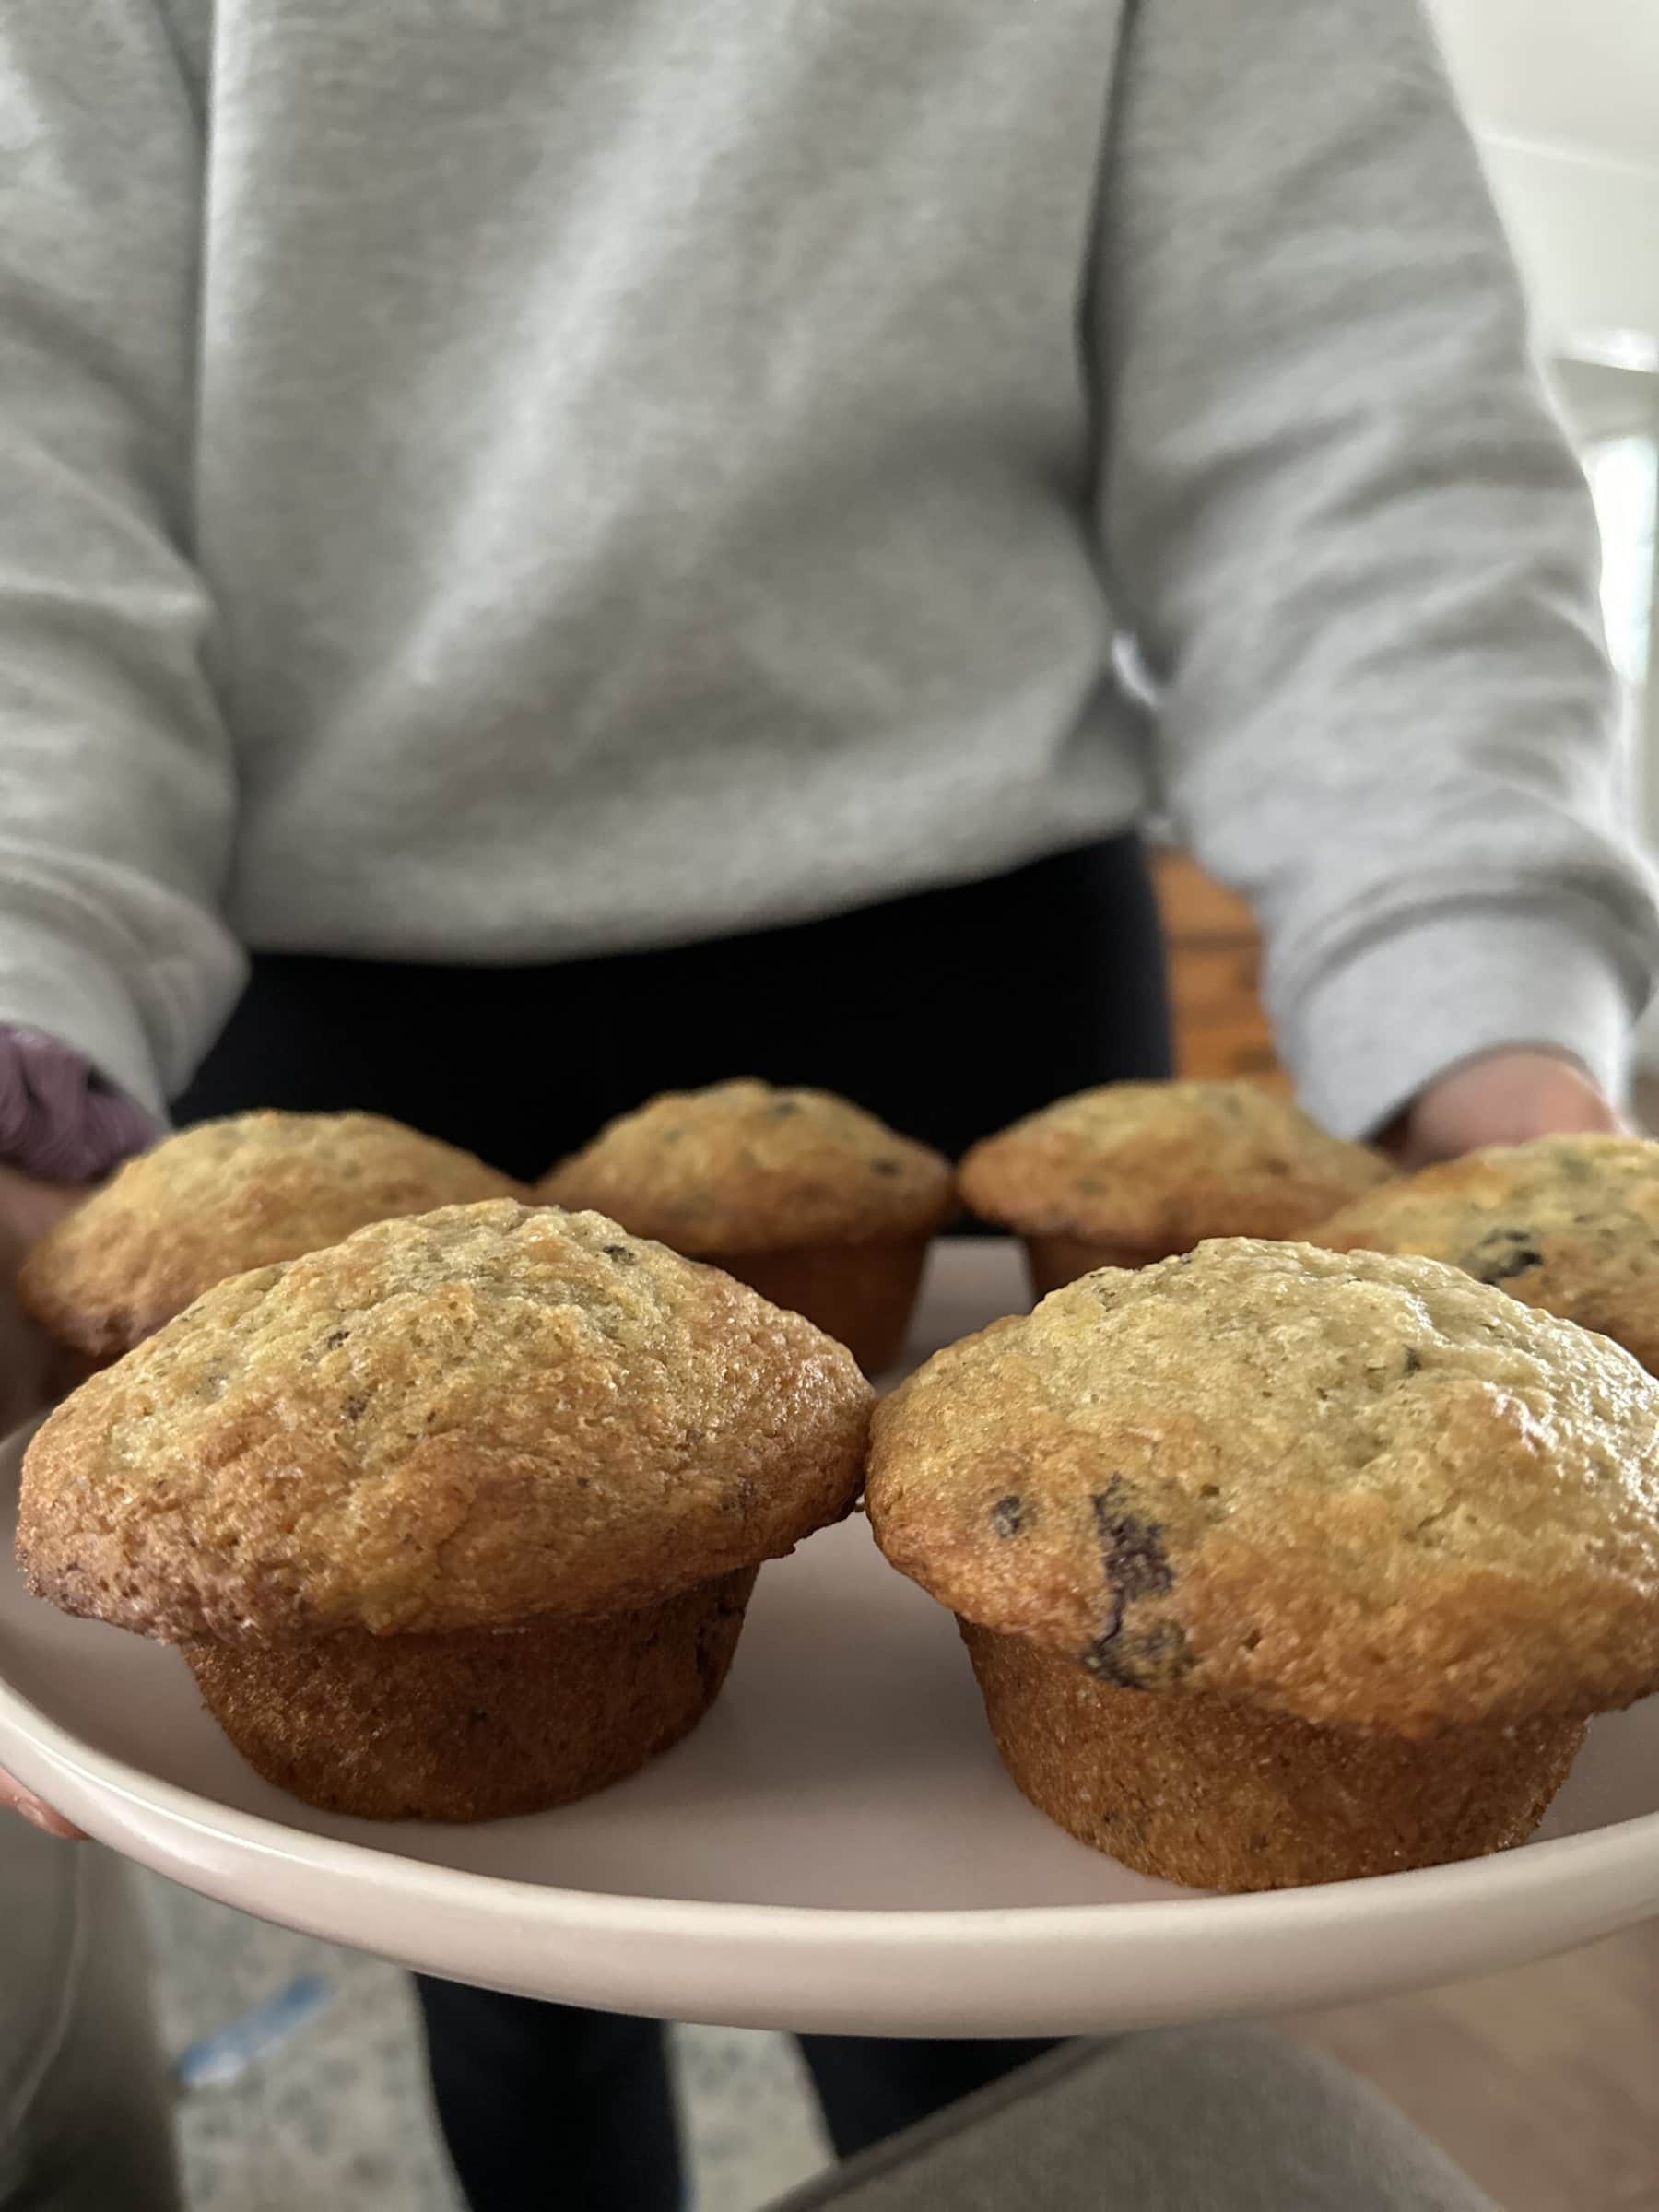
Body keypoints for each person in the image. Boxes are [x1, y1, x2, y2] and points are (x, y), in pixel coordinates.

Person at [0, 0, 1653, 2205]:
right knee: (495, 1929)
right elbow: (28, 466)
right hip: (331, 1019)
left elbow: (1359, 418)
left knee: (1022, 1996)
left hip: (971, 956)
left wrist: (1496, 1051)